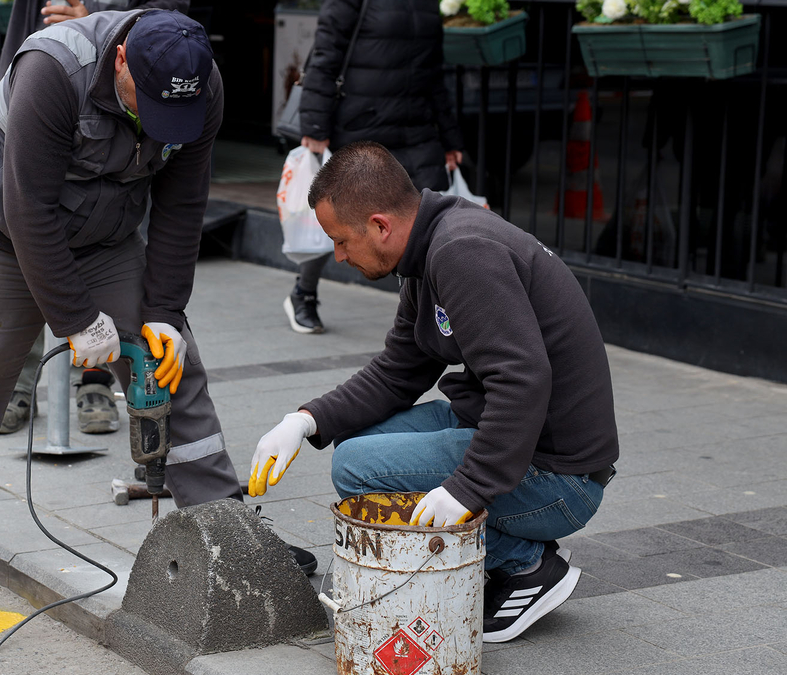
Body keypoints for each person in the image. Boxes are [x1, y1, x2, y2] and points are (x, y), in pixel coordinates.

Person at [0, 9, 316, 627]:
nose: (153, 123)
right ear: (122, 60)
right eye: (143, 104)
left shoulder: (200, 84)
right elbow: (30, 208)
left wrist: (166, 314)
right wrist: (75, 319)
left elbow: (181, 202)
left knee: (172, 367)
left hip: (104, 234)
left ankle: (229, 534)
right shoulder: (52, 69)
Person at [250, 142, 619, 642]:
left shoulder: (461, 251)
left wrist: (466, 489)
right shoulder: (430, 250)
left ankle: (528, 566)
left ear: (380, 225)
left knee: (355, 468)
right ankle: (493, 554)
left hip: (559, 476)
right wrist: (305, 420)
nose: (337, 255)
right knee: (358, 444)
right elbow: (397, 371)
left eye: (341, 241)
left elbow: (523, 380)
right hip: (511, 433)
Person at [0, 0, 189, 436]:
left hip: (112, 169)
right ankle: (18, 384)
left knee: (116, 321)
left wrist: (96, 18)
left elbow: (174, 20)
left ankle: (96, 385)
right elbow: (20, 38)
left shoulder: (159, 73)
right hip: (50, 101)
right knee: (30, 261)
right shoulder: (48, 68)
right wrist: (18, 102)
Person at [287, 0, 463, 334]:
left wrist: (450, 138)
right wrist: (314, 126)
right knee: (342, 217)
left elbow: (435, 73)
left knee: (427, 221)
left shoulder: (427, 5)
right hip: (362, 122)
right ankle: (304, 292)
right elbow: (325, 54)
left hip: (415, 127)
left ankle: (427, 311)